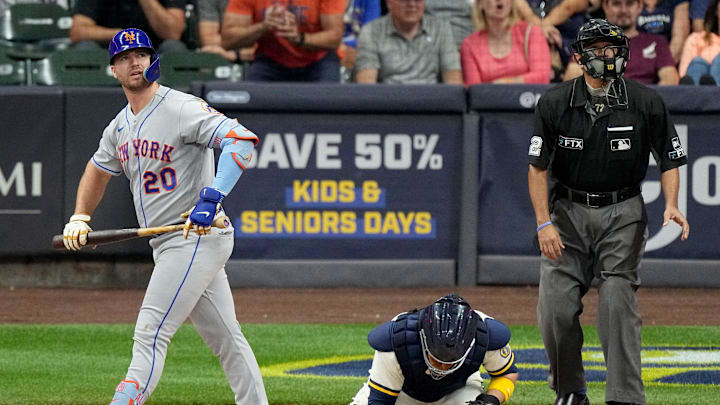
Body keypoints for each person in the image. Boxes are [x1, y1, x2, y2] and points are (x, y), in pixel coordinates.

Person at [61, 28, 267, 405]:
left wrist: (213, 195)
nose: (133, 62)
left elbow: (241, 140)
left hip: (195, 237)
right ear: (113, 70)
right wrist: (80, 215)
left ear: (153, 59)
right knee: (227, 339)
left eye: (140, 54)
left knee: (150, 332)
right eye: (123, 58)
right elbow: (97, 168)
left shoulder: (180, 107)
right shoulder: (120, 126)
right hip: (170, 240)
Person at [528, 18, 690, 405]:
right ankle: (569, 390)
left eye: (613, 49)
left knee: (617, 299)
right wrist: (543, 223)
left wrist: (671, 204)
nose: (607, 56)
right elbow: (537, 168)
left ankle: (624, 397)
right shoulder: (554, 102)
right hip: (566, 212)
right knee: (555, 308)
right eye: (598, 50)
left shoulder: (646, 101)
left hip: (623, 211)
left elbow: (669, 158)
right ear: (579, 58)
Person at [350, 294, 518, 405]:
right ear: (423, 338)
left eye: (449, 362)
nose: (441, 368)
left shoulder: (485, 335)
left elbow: (507, 374)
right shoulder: (397, 340)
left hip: (457, 391)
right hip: (402, 392)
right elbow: (380, 401)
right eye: (437, 359)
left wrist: (491, 399)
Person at [221, 0, 345, 82]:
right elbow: (228, 40)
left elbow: (334, 38)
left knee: (328, 104)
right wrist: (263, 26)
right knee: (249, 101)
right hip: (271, 59)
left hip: (318, 59)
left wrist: (299, 38)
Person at [563, 0, 679, 84]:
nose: (623, 10)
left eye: (629, 3)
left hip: (642, 109)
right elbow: (571, 81)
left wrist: (646, 103)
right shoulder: (588, 42)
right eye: (617, 4)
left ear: (639, 6)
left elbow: (670, 80)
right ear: (606, 6)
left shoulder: (658, 42)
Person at [354, 0, 462, 84]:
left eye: (418, 0)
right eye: (404, 0)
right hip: (388, 106)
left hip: (431, 105)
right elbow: (367, 85)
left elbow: (454, 82)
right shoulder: (371, 31)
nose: (412, 4)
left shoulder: (441, 29)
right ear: (389, 3)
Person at [461, 0, 551, 84]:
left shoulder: (532, 32)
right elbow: (474, 91)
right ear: (480, 4)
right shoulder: (470, 45)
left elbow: (542, 77)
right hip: (489, 101)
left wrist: (505, 82)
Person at [69, 0, 188, 52]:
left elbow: (173, 33)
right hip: (111, 51)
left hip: (154, 53)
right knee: (86, 48)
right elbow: (78, 32)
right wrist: (125, 35)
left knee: (174, 48)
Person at [678, 0, 720, 84]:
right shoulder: (696, 38)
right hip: (695, 90)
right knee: (698, 63)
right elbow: (683, 74)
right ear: (716, 8)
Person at [340, 0, 382, 80]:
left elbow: (371, 33)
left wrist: (352, 49)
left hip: (361, 49)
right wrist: (339, 49)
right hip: (330, 49)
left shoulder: (371, 1)